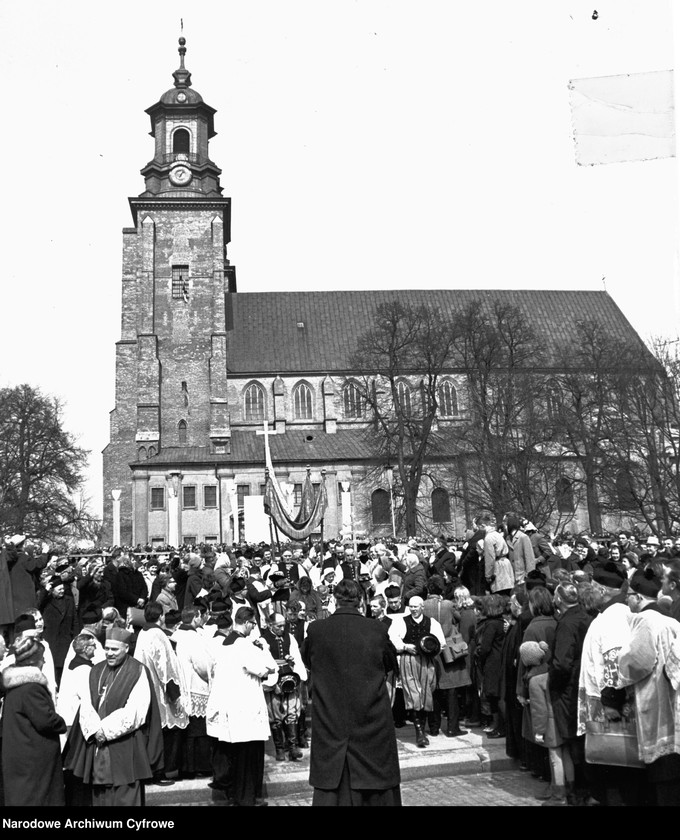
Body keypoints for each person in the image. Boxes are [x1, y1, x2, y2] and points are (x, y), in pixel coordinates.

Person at [301, 578, 401, 805]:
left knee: (333, 783)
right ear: (361, 601)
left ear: (335, 600)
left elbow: (308, 660)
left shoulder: (316, 630)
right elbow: (390, 663)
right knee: (375, 781)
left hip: (332, 716)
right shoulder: (377, 628)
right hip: (371, 717)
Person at [62, 626, 163, 806]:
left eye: (114, 649)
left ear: (126, 648)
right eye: (107, 648)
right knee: (100, 798)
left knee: (125, 797)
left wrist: (105, 731)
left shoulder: (137, 671)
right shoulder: (96, 670)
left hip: (125, 744)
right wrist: (95, 730)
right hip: (97, 745)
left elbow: (136, 711)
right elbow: (85, 704)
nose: (109, 653)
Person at [206, 606, 277, 806]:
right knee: (247, 757)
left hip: (229, 705)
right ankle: (246, 798)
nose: (253, 628)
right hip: (245, 706)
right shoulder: (245, 646)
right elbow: (267, 669)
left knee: (233, 754)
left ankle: (233, 795)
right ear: (247, 623)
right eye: (253, 624)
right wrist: (264, 650)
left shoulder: (222, 643)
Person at [0, 635, 67, 806]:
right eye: (41, 658)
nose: (44, 661)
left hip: (20, 756)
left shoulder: (14, 686)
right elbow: (46, 721)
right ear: (32, 661)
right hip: (33, 760)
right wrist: (62, 723)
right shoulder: (31, 688)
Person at [133, 601, 188, 785]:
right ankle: (162, 772)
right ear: (161, 616)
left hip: (146, 687)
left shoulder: (143, 632)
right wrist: (174, 694)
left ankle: (154, 770)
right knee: (165, 732)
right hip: (159, 690)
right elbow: (163, 666)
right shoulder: (157, 634)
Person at [389, 595, 446, 747]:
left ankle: (422, 727)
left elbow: (441, 643)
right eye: (411, 606)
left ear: (422, 607)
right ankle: (419, 732)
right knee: (414, 695)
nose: (413, 609)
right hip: (409, 660)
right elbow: (393, 638)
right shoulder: (400, 622)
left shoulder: (432, 622)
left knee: (426, 694)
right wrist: (405, 646)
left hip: (427, 662)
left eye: (416, 606)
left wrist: (431, 649)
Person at [261, 610, 308, 761]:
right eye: (278, 626)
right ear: (270, 625)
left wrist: (298, 672)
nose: (282, 629)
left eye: (283, 626)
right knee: (275, 715)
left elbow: (297, 656)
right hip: (273, 679)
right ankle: (279, 748)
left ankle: (292, 747)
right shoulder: (263, 640)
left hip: (289, 677)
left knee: (292, 712)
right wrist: (271, 682)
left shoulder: (289, 637)